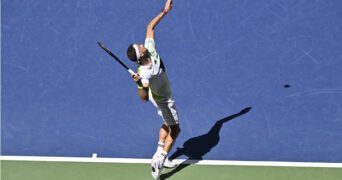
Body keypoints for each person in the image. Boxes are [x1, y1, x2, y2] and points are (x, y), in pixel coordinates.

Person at [126, 0, 180, 179]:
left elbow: (150, 27)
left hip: (159, 96)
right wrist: (139, 84)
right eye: (139, 46)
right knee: (176, 130)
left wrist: (164, 12)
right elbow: (143, 97)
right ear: (140, 54)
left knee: (166, 123)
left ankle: (159, 151)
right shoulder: (145, 73)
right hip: (164, 99)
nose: (142, 44)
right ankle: (160, 161)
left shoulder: (148, 49)